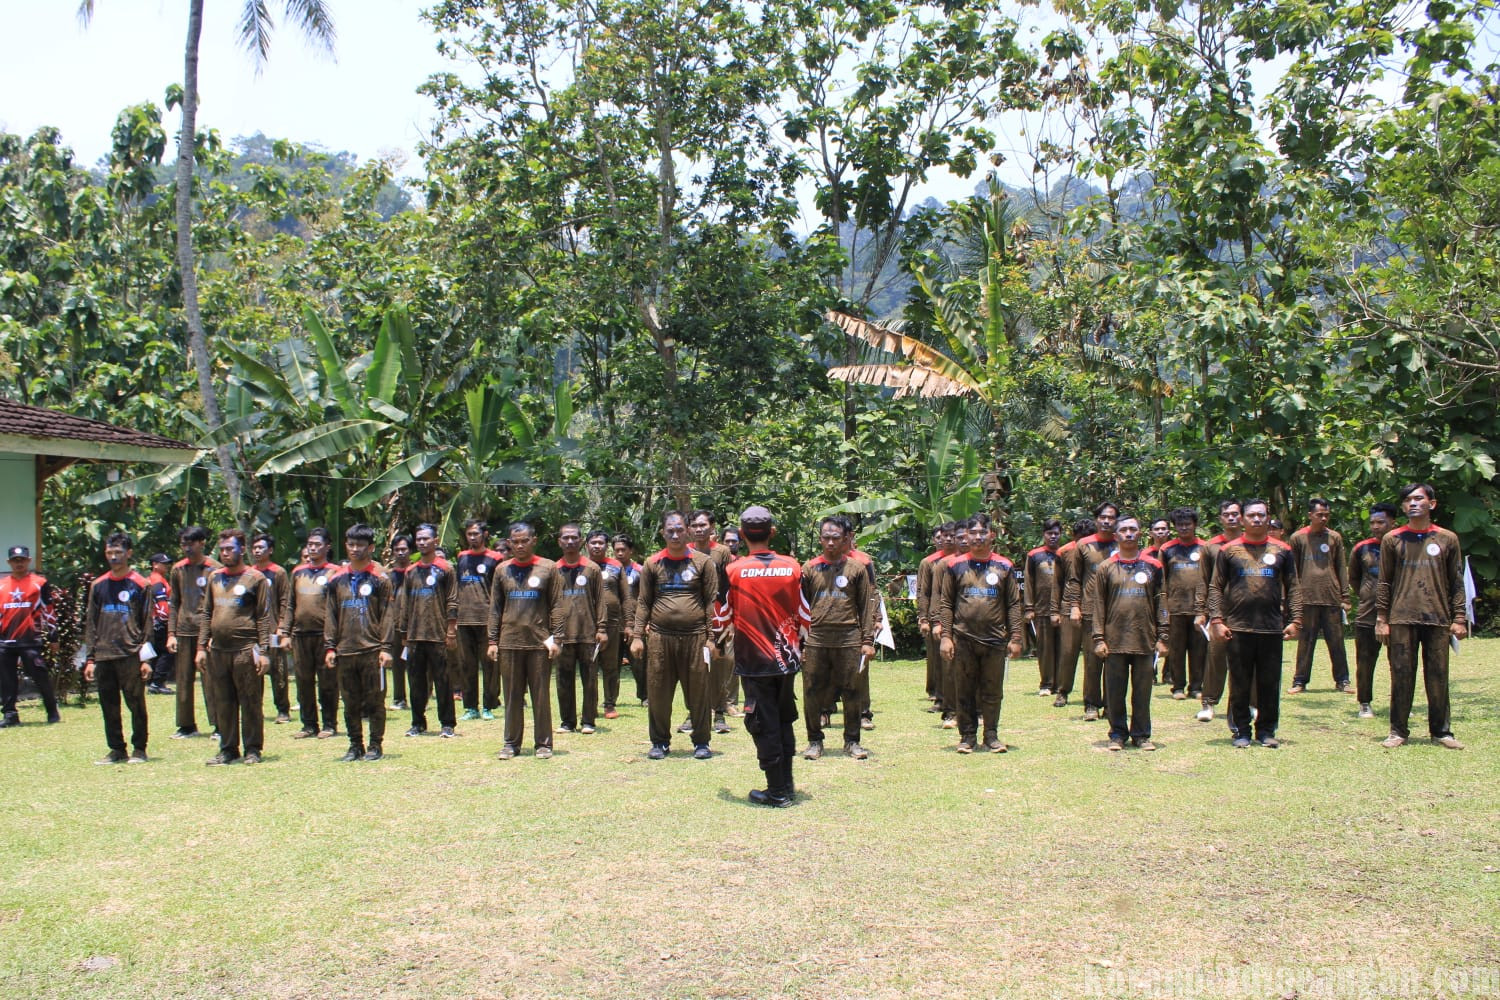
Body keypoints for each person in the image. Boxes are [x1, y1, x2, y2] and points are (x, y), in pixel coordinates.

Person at [712, 505, 807, 806]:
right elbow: (805, 612)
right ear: (772, 532)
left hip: (753, 661)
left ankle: (777, 792)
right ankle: (787, 785)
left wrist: (718, 639)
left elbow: (721, 613)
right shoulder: (792, 566)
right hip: (787, 658)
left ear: (741, 535)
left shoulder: (733, 570)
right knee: (783, 720)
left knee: (762, 723)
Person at [1375, 483, 1467, 750]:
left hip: (1437, 617)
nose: (1412, 504)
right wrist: (1382, 618)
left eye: (1418, 499)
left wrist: (1459, 617)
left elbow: (1456, 581)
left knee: (1438, 676)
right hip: (1402, 618)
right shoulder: (1392, 539)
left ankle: (1441, 731)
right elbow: (1384, 582)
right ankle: (1397, 731)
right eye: (1407, 500)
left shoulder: (1447, 538)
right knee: (1401, 674)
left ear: (1432, 504)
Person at [1207, 499, 1301, 748]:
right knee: (1239, 681)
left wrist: (1296, 619)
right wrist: (1217, 620)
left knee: (1269, 682)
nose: (1257, 519)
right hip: (1238, 627)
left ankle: (1267, 731)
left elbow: (1294, 587)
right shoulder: (1229, 550)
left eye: (1261, 515)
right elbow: (1215, 587)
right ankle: (1241, 731)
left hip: (1271, 627)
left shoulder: (1283, 550)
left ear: (1268, 518)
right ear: (1242, 519)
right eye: (1252, 515)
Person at [632, 511, 718, 760]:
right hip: (660, 637)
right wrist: (638, 636)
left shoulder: (703, 562)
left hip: (696, 637)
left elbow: (711, 602)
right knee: (658, 692)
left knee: (699, 691)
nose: (675, 534)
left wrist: (712, 639)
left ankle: (701, 741)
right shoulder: (652, 563)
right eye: (670, 530)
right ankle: (659, 742)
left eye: (680, 529)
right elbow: (644, 602)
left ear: (688, 531)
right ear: (663, 533)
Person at [937, 513, 1025, 753]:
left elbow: (1014, 605)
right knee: (963, 689)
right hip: (963, 638)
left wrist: (1016, 637)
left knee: (992, 689)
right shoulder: (954, 565)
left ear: (991, 535)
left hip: (995, 639)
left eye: (982, 533)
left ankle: (991, 735)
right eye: (973, 533)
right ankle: (967, 736)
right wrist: (946, 636)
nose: (977, 537)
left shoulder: (1004, 565)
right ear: (966, 536)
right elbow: (946, 604)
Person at [1087, 515, 1169, 751]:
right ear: (1116, 536)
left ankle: (1142, 735)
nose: (1129, 533)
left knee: (1142, 691)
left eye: (1133, 529)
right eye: (1124, 530)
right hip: (1114, 640)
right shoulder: (1106, 567)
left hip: (1144, 639)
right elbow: (1098, 604)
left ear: (1140, 533)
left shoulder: (1153, 566)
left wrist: (1163, 637)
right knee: (1115, 692)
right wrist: (1099, 638)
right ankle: (1117, 735)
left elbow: (1162, 602)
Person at [799, 516, 876, 761]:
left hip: (849, 638)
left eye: (836, 538)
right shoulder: (809, 568)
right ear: (820, 539)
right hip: (817, 639)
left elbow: (866, 607)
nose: (831, 542)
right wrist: (799, 643)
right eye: (826, 538)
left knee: (853, 691)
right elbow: (799, 608)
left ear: (845, 539)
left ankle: (852, 741)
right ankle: (814, 740)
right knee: (812, 691)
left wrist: (868, 641)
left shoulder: (857, 569)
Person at [197, 529, 274, 765]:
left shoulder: (255, 579)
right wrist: (201, 647)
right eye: (222, 550)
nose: (226, 553)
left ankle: (253, 748)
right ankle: (228, 748)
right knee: (223, 700)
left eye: (230, 548)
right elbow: (207, 612)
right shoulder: (214, 578)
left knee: (250, 700)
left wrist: (263, 652)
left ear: (243, 549)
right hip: (218, 651)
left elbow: (263, 617)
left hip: (245, 649)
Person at [486, 522, 560, 759]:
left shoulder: (548, 568)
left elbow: (558, 605)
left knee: (540, 696)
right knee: (512, 696)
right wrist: (492, 641)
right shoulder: (502, 570)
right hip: (509, 642)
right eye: (515, 542)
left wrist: (556, 638)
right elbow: (495, 608)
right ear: (509, 543)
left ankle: (544, 744)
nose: (519, 545)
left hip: (539, 643)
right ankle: (511, 744)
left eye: (524, 541)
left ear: (533, 540)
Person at [324, 524, 395, 762]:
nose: (355, 549)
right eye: (351, 544)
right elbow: (331, 614)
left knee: (375, 700)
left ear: (371, 547)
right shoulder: (336, 579)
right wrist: (330, 646)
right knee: (350, 702)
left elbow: (387, 615)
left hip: (372, 650)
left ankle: (375, 745)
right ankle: (355, 745)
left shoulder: (380, 578)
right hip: (345, 650)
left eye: (360, 545)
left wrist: (386, 648)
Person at [81, 533, 154, 763]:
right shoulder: (98, 585)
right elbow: (91, 623)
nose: (114, 557)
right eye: (110, 553)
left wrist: (146, 659)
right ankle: (116, 749)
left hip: (130, 653)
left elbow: (148, 624)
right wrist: (90, 659)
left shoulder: (141, 584)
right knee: (109, 705)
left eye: (118, 553)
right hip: (104, 654)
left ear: (129, 553)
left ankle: (139, 748)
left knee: (136, 704)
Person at [399, 524, 459, 738]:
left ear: (435, 541)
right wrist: (404, 633)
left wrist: (451, 630)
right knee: (415, 681)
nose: (422, 542)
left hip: (438, 634)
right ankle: (417, 723)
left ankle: (447, 723)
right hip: (415, 635)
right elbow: (404, 604)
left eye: (426, 539)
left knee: (443, 680)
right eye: (419, 539)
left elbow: (452, 600)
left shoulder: (446, 568)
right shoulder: (411, 571)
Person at [1288, 498, 1351, 694]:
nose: (1323, 518)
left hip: (1331, 597)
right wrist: (1293, 597)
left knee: (1337, 641)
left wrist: (1345, 596)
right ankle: (1300, 681)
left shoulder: (1334, 537)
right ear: (1310, 516)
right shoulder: (1298, 538)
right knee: (1306, 641)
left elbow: (1341, 566)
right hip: (1306, 598)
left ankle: (1343, 681)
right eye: (1319, 515)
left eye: (1326, 515)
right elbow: (1293, 570)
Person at [1065, 503, 1119, 722]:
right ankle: (1091, 704)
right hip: (1090, 610)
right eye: (1103, 517)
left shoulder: (1122, 543)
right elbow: (1074, 579)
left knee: (1115, 661)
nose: (1106, 521)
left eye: (1111, 518)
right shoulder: (1084, 546)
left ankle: (1111, 705)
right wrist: (1074, 606)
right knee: (1092, 659)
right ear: (1096, 520)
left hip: (1116, 612)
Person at [551, 523, 605, 735]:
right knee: (563, 679)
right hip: (562, 635)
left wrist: (602, 628)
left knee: (590, 679)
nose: (570, 541)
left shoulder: (592, 569)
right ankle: (567, 722)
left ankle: (588, 721)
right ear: (559, 541)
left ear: (581, 540)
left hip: (588, 633)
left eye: (574, 538)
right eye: (566, 538)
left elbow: (600, 601)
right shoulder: (553, 570)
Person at [167, 525, 218, 739]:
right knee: (183, 679)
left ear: (202, 543)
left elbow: (219, 603)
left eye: (191, 543)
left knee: (212, 680)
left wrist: (214, 632)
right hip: (184, 630)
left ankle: (219, 725)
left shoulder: (214, 569)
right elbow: (174, 602)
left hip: (207, 632)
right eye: (183, 544)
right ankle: (186, 725)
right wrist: (171, 633)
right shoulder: (178, 569)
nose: (187, 548)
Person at [689, 509, 737, 735]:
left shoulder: (722, 552)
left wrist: (730, 618)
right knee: (693, 666)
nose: (699, 529)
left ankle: (718, 713)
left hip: (718, 615)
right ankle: (694, 713)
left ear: (712, 528)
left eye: (703, 525)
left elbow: (730, 587)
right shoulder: (684, 552)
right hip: (691, 616)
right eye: (695, 526)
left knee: (718, 664)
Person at [1, 544, 60, 727]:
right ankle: (10, 715)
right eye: (15, 560)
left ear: (28, 561)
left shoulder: (40, 583)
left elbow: (48, 610)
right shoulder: (1, 584)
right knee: (6, 679)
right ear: (8, 562)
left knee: (39, 674)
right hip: (5, 640)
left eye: (22, 560)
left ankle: (52, 711)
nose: (19, 563)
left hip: (30, 640)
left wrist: (53, 636)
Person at [289, 529, 340, 739]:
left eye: (317, 544)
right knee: (303, 681)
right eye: (310, 544)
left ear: (327, 546)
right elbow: (290, 604)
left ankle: (329, 723)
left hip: (325, 635)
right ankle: (309, 724)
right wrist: (285, 631)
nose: (312, 548)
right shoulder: (298, 573)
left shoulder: (335, 572)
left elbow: (338, 606)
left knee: (328, 681)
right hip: (300, 635)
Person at [1195, 500, 1243, 724]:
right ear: (1221, 518)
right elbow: (1203, 581)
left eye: (1236, 514)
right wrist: (1201, 611)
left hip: (1248, 611)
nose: (1232, 518)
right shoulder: (1211, 547)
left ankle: (1249, 704)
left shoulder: (1253, 544)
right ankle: (1209, 702)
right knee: (1215, 658)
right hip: (1219, 611)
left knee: (1247, 659)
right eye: (1227, 514)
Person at [1348, 503, 1397, 719]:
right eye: (1373, 523)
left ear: (1393, 522)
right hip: (1368, 615)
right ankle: (1365, 703)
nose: (1376, 527)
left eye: (1381, 522)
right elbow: (1354, 578)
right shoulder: (1362, 549)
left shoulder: (1401, 544)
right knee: (1365, 661)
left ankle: (1400, 702)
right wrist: (1368, 595)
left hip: (1398, 615)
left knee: (1399, 663)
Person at [455, 519, 504, 722]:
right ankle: (470, 707)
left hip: (486, 618)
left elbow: (499, 590)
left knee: (490, 664)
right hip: (465, 619)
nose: (472, 537)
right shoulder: (461, 557)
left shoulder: (495, 558)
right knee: (467, 664)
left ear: (484, 535)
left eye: (476, 533)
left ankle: (488, 705)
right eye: (469, 534)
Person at [1159, 508, 1209, 701]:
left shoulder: (1205, 548)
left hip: (1199, 609)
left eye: (1188, 524)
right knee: (1177, 650)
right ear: (1175, 527)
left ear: (1195, 525)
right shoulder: (1167, 549)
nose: (1184, 527)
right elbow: (1161, 581)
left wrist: (1204, 609)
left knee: (1199, 650)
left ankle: (1196, 687)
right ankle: (1177, 686)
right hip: (1175, 608)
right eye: (1180, 524)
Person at [585, 529, 631, 720]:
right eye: (593, 542)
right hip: (586, 624)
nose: (597, 546)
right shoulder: (581, 566)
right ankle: (590, 704)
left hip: (613, 623)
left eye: (601, 543)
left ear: (607, 546)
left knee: (611, 665)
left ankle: (610, 704)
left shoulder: (615, 567)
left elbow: (626, 597)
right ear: (586, 545)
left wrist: (629, 624)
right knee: (589, 666)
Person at [249, 533, 293, 723]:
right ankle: (254, 709)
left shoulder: (278, 572)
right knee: (252, 672)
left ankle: (283, 709)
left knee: (278, 671)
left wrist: (282, 627)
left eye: (261, 548)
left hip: (273, 628)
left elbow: (285, 601)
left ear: (270, 550)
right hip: (252, 631)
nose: (257, 551)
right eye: (255, 548)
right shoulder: (248, 573)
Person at [1051, 517, 1093, 710]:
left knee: (1093, 655)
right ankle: (1062, 691)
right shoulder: (1064, 552)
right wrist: (1055, 610)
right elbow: (1057, 583)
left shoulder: (1099, 551)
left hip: (1093, 607)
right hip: (1069, 606)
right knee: (1068, 652)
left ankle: (1091, 696)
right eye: (1080, 538)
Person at [916, 523, 954, 713]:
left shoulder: (962, 561)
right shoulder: (929, 562)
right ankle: (939, 697)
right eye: (942, 536)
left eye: (950, 536)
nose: (946, 539)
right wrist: (923, 618)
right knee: (937, 660)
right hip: (935, 616)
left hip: (958, 618)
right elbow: (924, 592)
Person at [1024, 519, 1063, 697]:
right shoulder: (1034, 555)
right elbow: (1028, 582)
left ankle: (1061, 683)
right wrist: (1029, 607)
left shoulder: (1065, 554)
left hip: (1064, 610)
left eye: (1056, 533)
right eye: (1050, 533)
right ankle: (1046, 683)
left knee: (1063, 649)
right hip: (1041, 609)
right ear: (1044, 535)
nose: (1053, 537)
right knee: (1045, 649)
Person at [612, 533, 646, 705]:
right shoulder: (609, 571)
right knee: (612, 664)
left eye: (623, 550)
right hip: (614, 624)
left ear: (630, 551)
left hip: (635, 623)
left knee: (638, 661)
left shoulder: (641, 571)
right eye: (616, 550)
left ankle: (645, 696)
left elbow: (647, 598)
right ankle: (610, 699)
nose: (619, 553)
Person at [386, 533, 413, 710]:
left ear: (410, 551)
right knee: (397, 664)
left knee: (416, 664)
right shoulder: (388, 576)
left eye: (404, 549)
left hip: (414, 626)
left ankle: (420, 697)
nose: (401, 553)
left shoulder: (416, 572)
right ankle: (399, 699)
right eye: (397, 550)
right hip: (395, 626)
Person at [145, 553, 174, 694]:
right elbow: (161, 602)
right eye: (163, 563)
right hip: (160, 621)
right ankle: (157, 683)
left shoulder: (153, 579)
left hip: (153, 621)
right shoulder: (157, 580)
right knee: (167, 651)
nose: (166, 566)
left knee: (156, 652)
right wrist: (167, 619)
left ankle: (154, 683)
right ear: (154, 564)